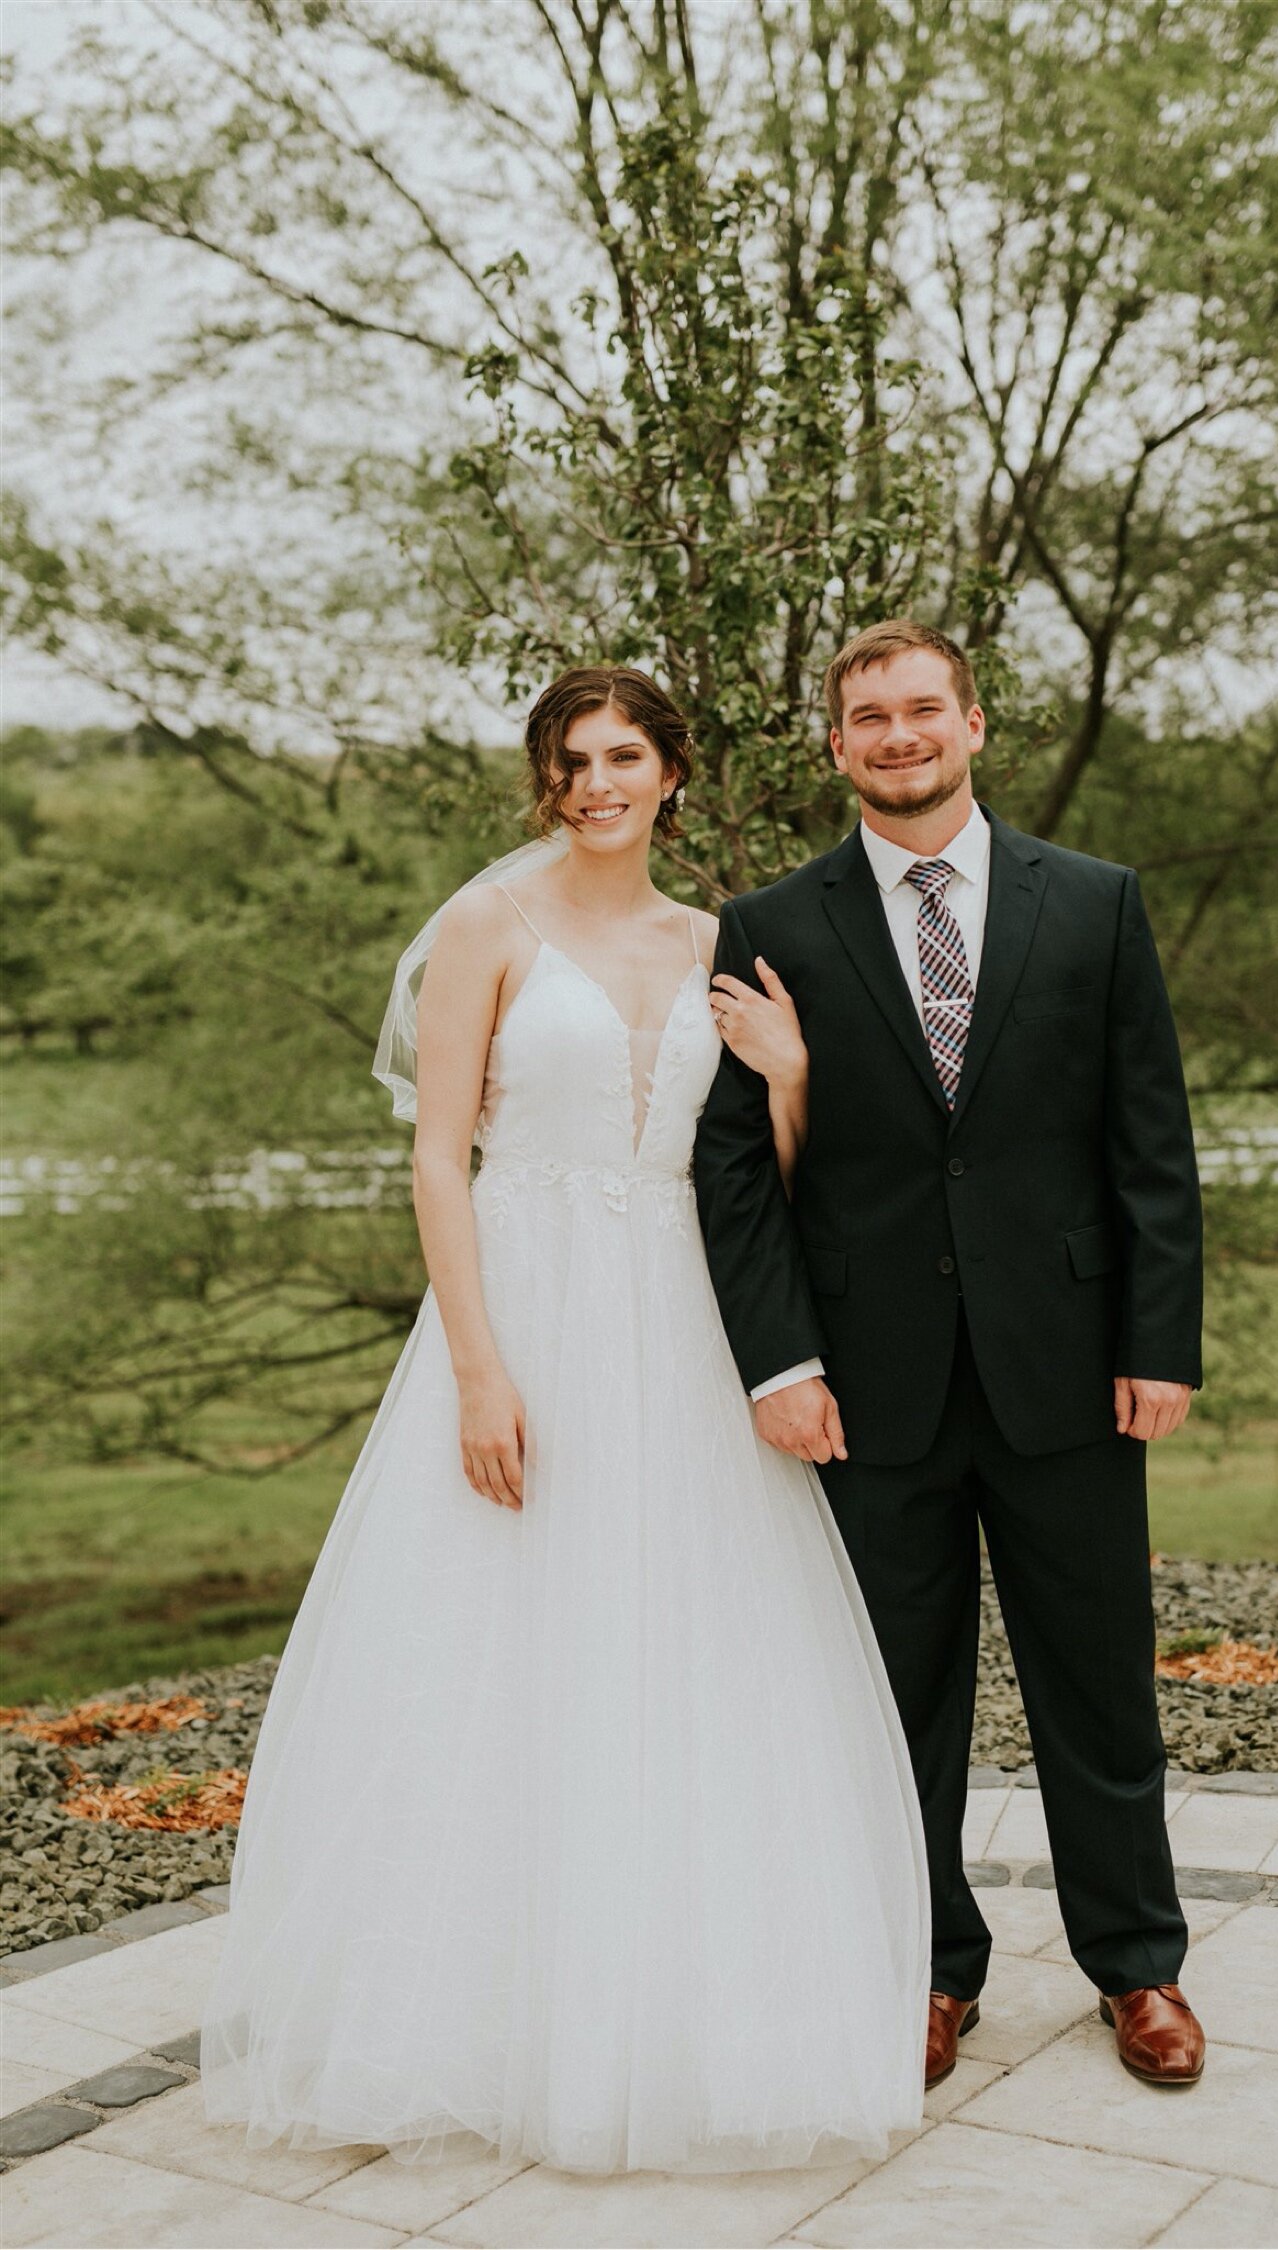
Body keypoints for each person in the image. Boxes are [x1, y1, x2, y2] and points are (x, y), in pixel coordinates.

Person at [198, 665, 929, 2173]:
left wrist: (790, 1079)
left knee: (683, 1648)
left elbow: (753, 1178)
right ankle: (462, 2012)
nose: (592, 782)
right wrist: (478, 1365)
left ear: (674, 771)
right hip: (527, 1305)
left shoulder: (725, 942)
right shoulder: (491, 929)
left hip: (680, 1323)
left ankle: (664, 2009)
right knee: (495, 1646)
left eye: (620, 755)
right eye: (567, 759)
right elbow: (436, 1161)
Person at [695, 619, 1207, 2093]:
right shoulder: (768, 923)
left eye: (925, 709)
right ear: (836, 745)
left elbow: (1150, 1148)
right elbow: (737, 1165)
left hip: (1071, 1369)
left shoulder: (1097, 904)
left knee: (1098, 1686)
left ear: (975, 725)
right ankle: (924, 1966)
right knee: (891, 1695)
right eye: (871, 716)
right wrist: (780, 1360)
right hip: (870, 1388)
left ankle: (1141, 1964)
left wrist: (1157, 1337)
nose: (899, 734)